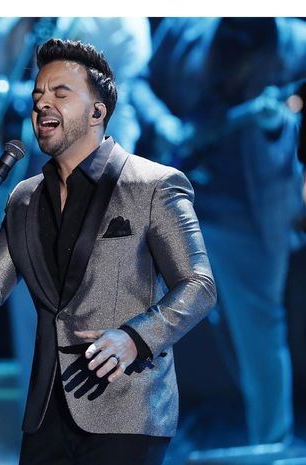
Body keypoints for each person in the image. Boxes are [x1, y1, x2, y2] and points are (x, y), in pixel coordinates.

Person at [0, 39, 216, 465]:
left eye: (60, 93)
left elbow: (199, 285)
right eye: (37, 95)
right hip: (44, 416)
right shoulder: (23, 198)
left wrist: (135, 338)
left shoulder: (153, 185)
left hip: (126, 410)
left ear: (98, 112)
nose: (41, 104)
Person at [0, 18, 152, 413]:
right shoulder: (15, 22)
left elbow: (126, 100)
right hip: (30, 202)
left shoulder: (118, 17)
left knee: (97, 327)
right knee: (33, 334)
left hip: (98, 198)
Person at [131, 18, 306, 446]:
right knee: (134, 323)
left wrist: (275, 127)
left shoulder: (295, 43)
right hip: (171, 203)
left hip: (250, 213)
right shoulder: (184, 25)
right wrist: (165, 124)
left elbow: (293, 129)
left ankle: (273, 446)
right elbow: (139, 83)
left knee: (261, 333)